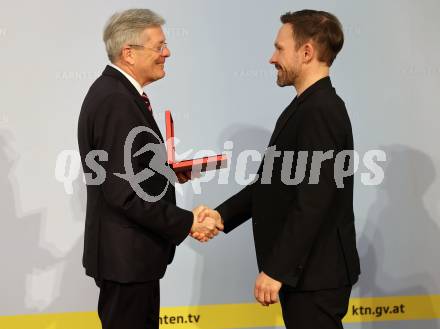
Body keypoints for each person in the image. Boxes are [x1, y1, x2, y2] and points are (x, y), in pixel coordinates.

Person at [196, 10, 360, 329]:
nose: (272, 58)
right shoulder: (303, 107)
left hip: (315, 275)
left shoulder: (321, 110)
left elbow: (313, 200)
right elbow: (269, 185)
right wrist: (221, 216)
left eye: (280, 48)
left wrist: (277, 269)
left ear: (307, 52)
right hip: (305, 274)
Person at [77, 9, 222, 329]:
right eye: (159, 46)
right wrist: (187, 222)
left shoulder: (117, 94)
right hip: (126, 261)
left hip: (130, 260)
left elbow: (128, 173)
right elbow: (124, 194)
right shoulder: (116, 100)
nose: (166, 53)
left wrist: (166, 173)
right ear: (129, 53)